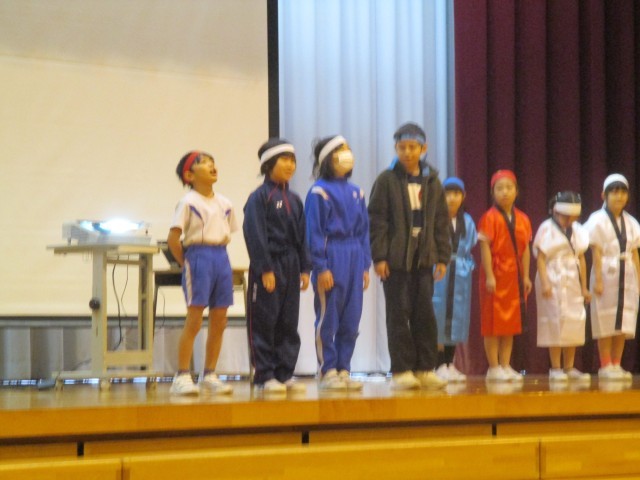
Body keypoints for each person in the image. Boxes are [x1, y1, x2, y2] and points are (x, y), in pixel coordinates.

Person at [368, 122, 450, 390]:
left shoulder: (432, 181)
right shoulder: (386, 180)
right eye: (402, 147)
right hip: (396, 262)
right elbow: (377, 221)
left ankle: (425, 368)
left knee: (424, 315)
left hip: (423, 259)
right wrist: (379, 257)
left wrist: (442, 257)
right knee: (398, 315)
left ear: (423, 149)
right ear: (396, 148)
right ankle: (402, 370)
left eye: (412, 147)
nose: (407, 152)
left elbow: (441, 221)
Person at [243, 139, 311, 394]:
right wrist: (265, 269)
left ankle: (284, 373)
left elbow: (302, 236)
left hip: (291, 264)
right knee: (265, 320)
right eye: (284, 160)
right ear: (268, 164)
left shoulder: (294, 199)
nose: (290, 165)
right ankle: (265, 375)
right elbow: (255, 234)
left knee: (288, 321)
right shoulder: (259, 197)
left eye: (293, 160)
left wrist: (305, 269)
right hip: (270, 264)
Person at [305, 135, 371, 391]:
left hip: (354, 254)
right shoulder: (319, 192)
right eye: (340, 150)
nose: (346, 154)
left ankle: (344, 368)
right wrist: (321, 267)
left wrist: (364, 265)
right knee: (328, 316)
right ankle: (328, 369)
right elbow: (314, 232)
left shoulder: (357, 192)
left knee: (351, 318)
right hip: (332, 254)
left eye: (347, 149)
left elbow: (364, 231)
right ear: (327, 159)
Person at [167, 150, 236, 395]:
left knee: (220, 320)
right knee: (195, 319)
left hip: (221, 257)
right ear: (189, 175)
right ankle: (182, 375)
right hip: (198, 257)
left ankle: (209, 374)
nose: (211, 166)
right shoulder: (188, 202)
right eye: (204, 163)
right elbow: (173, 239)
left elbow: (228, 231)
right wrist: (187, 262)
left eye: (212, 162)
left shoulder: (225, 203)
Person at [584, 174, 640, 381]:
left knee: (624, 320)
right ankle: (605, 364)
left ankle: (617, 363)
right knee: (606, 319)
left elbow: (634, 253)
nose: (619, 196)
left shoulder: (631, 222)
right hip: (607, 271)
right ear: (604, 195)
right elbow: (596, 252)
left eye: (623, 192)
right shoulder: (597, 220)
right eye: (614, 192)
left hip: (627, 272)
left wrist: (639, 280)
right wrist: (598, 279)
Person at [478, 169, 532, 383]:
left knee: (511, 322)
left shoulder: (523, 219)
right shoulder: (488, 218)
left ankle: (505, 364)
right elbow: (484, 248)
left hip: (514, 275)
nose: (505, 192)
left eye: (509, 188)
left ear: (516, 191)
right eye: (500, 188)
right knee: (492, 323)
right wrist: (489, 275)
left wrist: (526, 276)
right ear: (493, 192)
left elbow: (525, 250)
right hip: (495, 273)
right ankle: (493, 367)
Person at [533, 191, 591, 383]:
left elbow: (581, 259)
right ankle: (556, 368)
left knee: (574, 320)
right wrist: (545, 283)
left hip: (572, 276)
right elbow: (541, 259)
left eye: (572, 217)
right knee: (555, 321)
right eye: (565, 216)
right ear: (555, 212)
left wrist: (584, 287)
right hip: (552, 275)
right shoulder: (546, 228)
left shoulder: (578, 230)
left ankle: (569, 366)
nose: (569, 220)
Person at [433, 177, 477, 383]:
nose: (452, 198)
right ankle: (438, 364)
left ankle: (450, 363)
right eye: (448, 193)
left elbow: (471, 245)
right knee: (438, 315)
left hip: (460, 271)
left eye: (456, 194)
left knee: (457, 317)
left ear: (463, 196)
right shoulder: (435, 218)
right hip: (439, 270)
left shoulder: (467, 221)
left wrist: (467, 266)